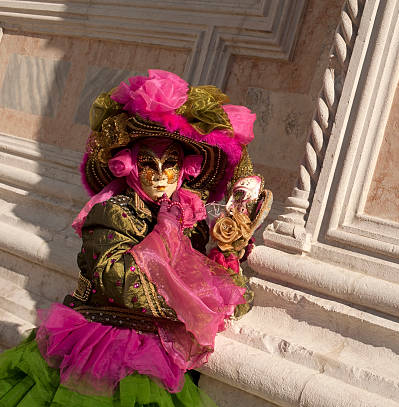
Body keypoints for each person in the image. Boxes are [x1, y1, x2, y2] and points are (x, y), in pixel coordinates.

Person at [0, 70, 272, 406]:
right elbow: (121, 282)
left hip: (159, 354)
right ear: (129, 165)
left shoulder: (193, 221)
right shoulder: (112, 213)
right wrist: (167, 231)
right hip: (102, 346)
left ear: (185, 168)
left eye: (170, 163)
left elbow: (230, 298)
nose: (160, 175)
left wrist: (230, 242)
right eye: (148, 163)